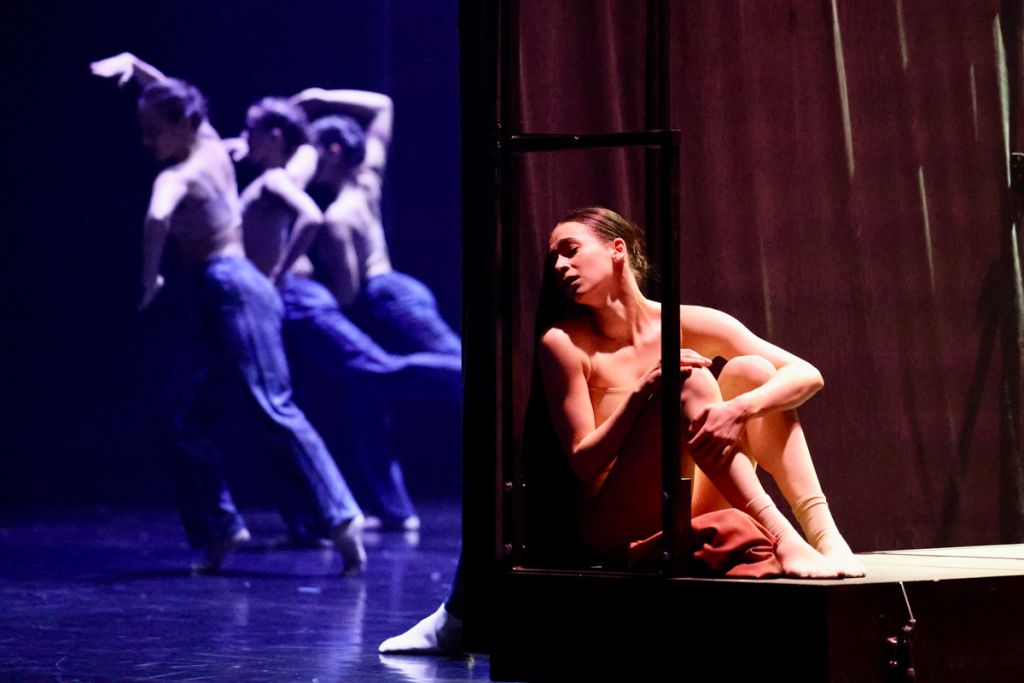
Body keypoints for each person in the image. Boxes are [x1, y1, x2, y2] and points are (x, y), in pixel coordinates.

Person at [89, 53, 366, 574]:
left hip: (236, 286)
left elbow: (156, 217)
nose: (147, 141)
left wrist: (150, 277)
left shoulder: (180, 174)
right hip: (221, 295)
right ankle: (220, 529)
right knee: (179, 416)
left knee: (272, 405)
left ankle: (342, 517)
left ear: (183, 125)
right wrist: (137, 67)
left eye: (154, 131)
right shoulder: (212, 142)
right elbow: (178, 96)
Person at [539, 206, 865, 578]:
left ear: (617, 249)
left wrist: (740, 409)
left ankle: (825, 536)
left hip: (692, 504)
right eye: (554, 260)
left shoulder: (686, 321)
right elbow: (583, 462)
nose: (560, 266)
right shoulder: (564, 342)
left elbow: (807, 374)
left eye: (571, 250)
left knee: (753, 372)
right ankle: (783, 536)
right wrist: (643, 391)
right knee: (689, 377)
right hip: (618, 520)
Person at [234, 96, 462, 532]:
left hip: (382, 298)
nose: (309, 162)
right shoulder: (369, 179)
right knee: (366, 409)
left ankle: (497, 382)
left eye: (315, 152)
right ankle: (396, 512)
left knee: (417, 374)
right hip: (403, 288)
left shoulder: (336, 218)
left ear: (334, 151)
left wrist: (320, 303)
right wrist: (320, 96)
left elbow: (349, 289)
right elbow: (383, 109)